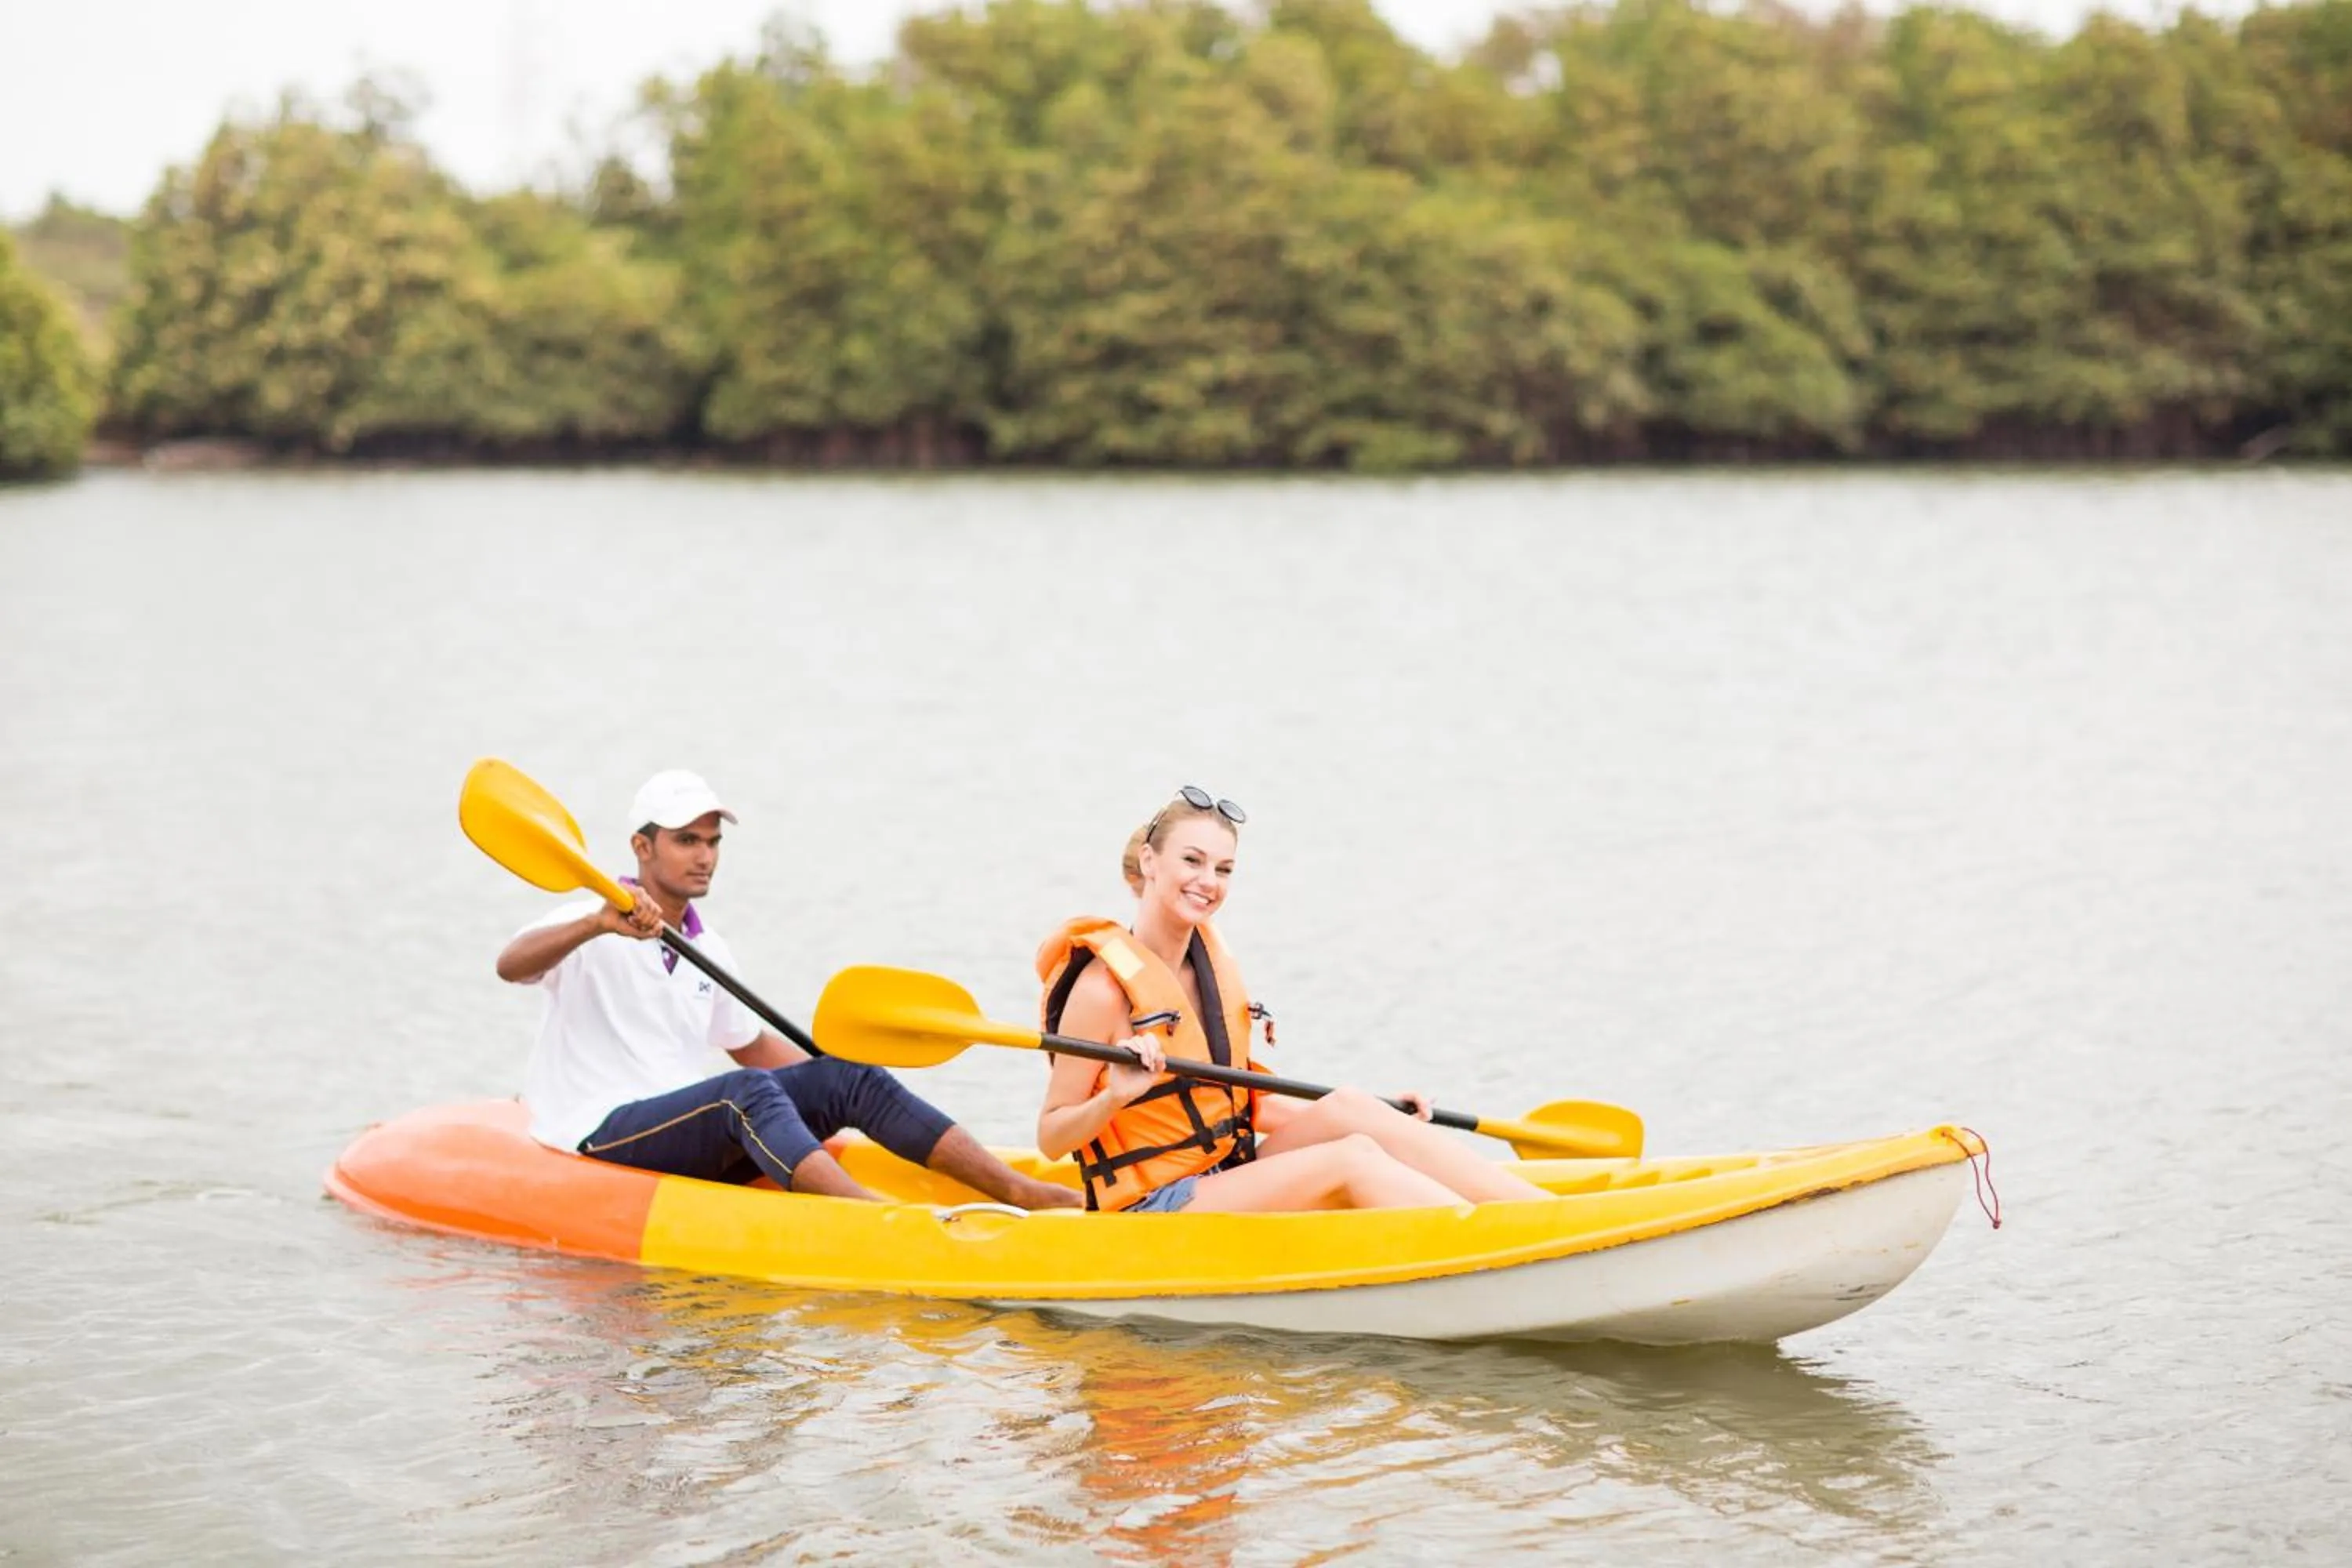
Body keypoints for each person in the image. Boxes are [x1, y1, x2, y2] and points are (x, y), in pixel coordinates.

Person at [498, 768, 1077, 1209]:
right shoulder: (586, 920)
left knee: (849, 1075)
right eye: (686, 841)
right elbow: (511, 965)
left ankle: (1020, 1191)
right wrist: (598, 923)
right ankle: (869, 1217)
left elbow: (752, 1048)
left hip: (672, 1128)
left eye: (712, 841)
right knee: (742, 1093)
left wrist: (834, 1091)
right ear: (642, 848)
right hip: (595, 1130)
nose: (705, 856)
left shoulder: (710, 949)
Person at [1033, 787, 1552, 1214]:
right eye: (1192, 860)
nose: (1208, 882)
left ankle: (1539, 1214)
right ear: (1149, 861)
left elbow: (1232, 1105)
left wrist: (1385, 1116)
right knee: (1349, 1159)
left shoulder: (1206, 965)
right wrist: (1114, 1097)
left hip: (1223, 1171)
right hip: (1155, 1203)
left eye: (1224, 869)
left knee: (1351, 1107)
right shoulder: (1102, 991)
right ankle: (1503, 1243)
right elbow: (1053, 1136)